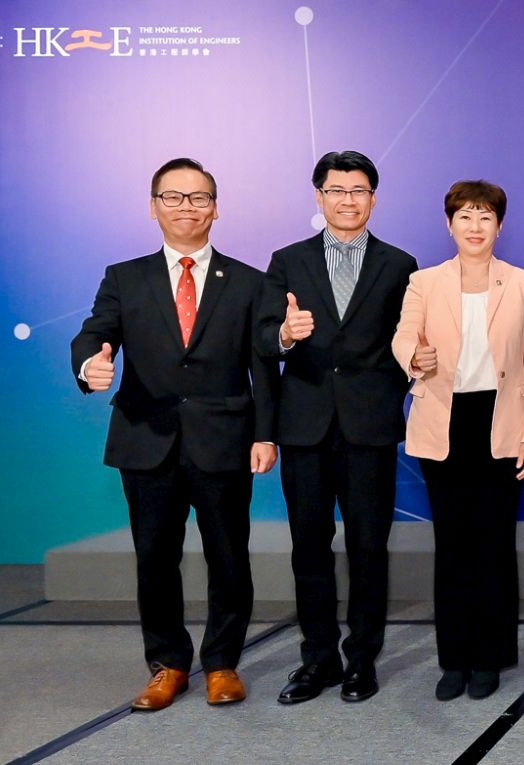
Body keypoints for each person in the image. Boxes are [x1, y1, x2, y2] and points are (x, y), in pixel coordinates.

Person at [72, 157, 277, 711]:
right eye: (173, 197)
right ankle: (167, 664)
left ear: (216, 207)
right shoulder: (124, 277)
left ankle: (222, 664)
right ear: (153, 206)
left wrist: (265, 435)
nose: (186, 208)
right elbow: (95, 334)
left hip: (223, 441)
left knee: (229, 557)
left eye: (198, 197)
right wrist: (90, 364)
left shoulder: (250, 281)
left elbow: (263, 368)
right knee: (154, 559)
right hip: (147, 439)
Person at [257, 150, 418, 705]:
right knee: (309, 548)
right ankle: (318, 660)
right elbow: (259, 342)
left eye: (358, 190)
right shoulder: (287, 261)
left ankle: (362, 661)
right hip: (304, 425)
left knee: (370, 548)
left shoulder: (400, 264)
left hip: (370, 428)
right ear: (319, 196)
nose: (348, 200)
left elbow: (409, 344)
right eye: (336, 190)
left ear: (374, 198)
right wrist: (284, 335)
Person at [389, 180, 524, 701]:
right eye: (465, 216)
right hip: (445, 423)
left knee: (495, 546)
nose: (475, 227)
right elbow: (403, 335)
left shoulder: (522, 283)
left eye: (485, 217)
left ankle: (491, 657)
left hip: (501, 423)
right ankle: (453, 660)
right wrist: (416, 358)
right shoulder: (424, 282)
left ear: (499, 226)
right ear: (449, 224)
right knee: (453, 547)